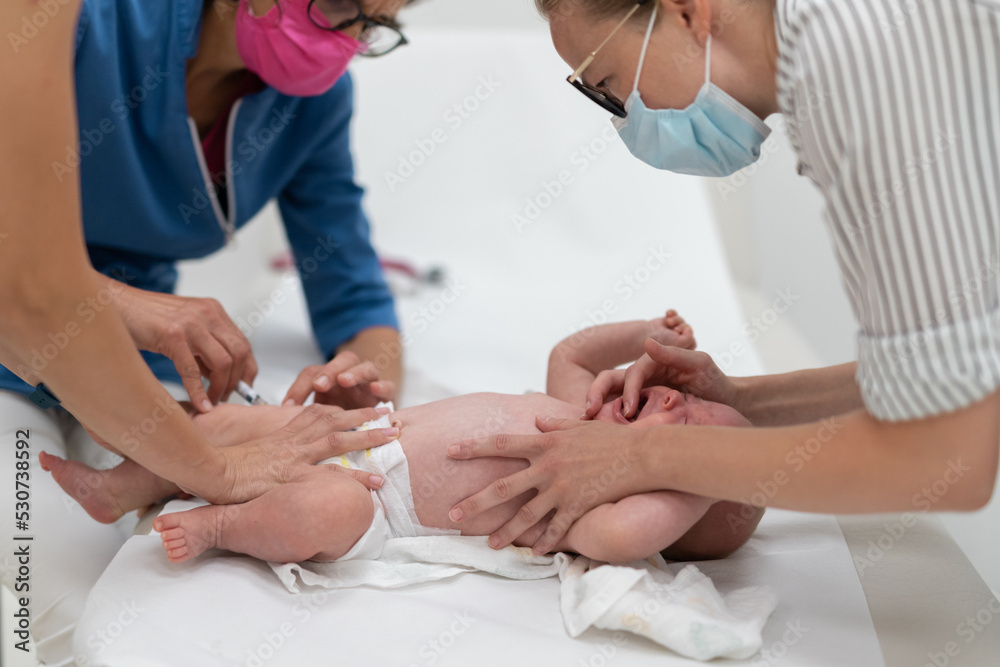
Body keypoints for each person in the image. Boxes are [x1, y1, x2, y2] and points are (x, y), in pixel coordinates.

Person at [442, 0, 1000, 556]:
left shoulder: (855, 54)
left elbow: (948, 455)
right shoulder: (833, 66)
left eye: (609, 86)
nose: (627, 120)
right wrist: (733, 401)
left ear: (687, 11)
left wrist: (640, 457)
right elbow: (946, 369)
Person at [0, 0, 410, 662]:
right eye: (339, 6)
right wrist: (134, 311)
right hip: (11, 357)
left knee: (179, 604)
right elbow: (22, 282)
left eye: (377, 25)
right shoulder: (85, 28)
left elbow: (354, 290)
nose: (350, 40)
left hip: (137, 366)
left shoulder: (310, 104)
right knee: (52, 607)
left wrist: (362, 370)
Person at [42, 312, 766, 565]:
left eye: (696, 425)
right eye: (699, 396)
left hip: (380, 505)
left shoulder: (597, 504)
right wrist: (646, 337)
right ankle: (122, 488)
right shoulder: (585, 410)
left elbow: (624, 541)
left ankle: (220, 523)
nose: (685, 399)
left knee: (324, 513)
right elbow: (571, 353)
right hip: (359, 431)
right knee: (233, 424)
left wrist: (695, 473)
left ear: (674, 491)